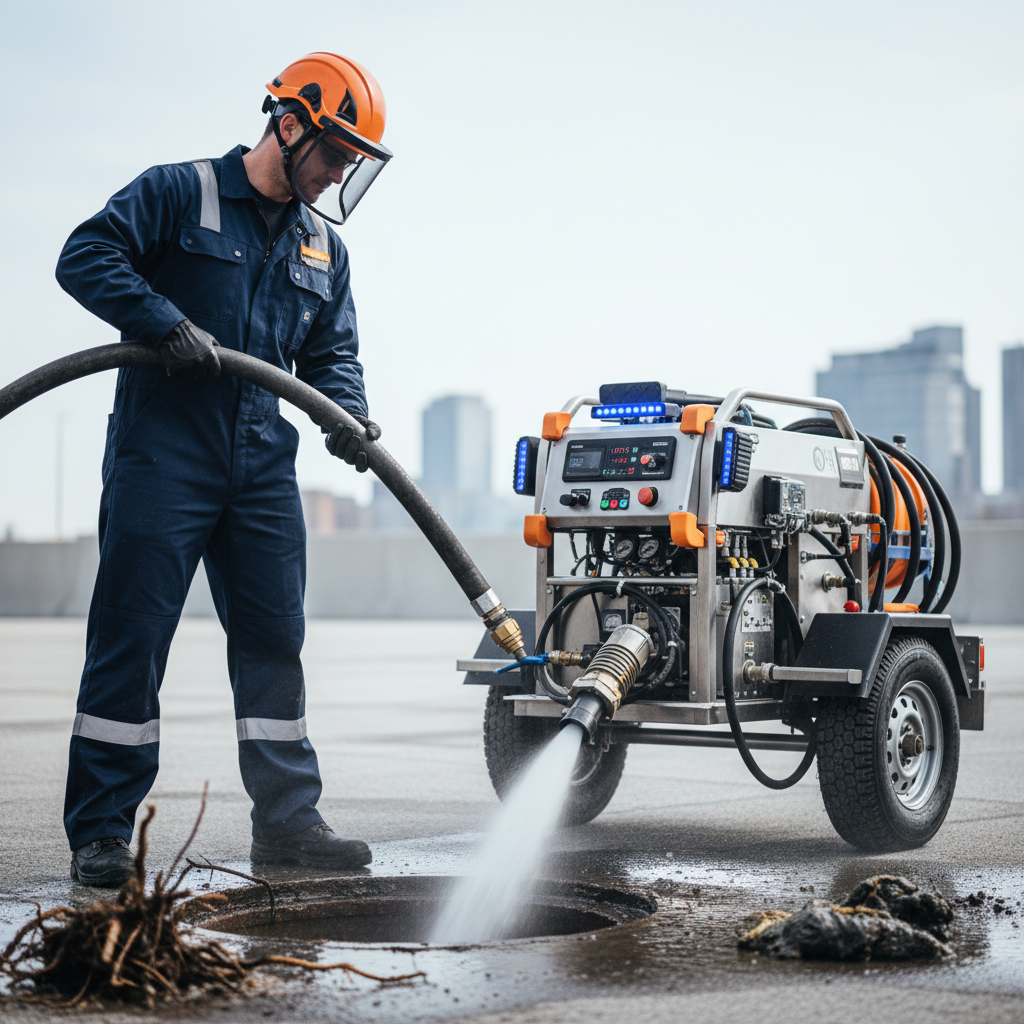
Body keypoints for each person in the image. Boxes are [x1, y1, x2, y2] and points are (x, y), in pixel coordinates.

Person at [55, 53, 394, 887]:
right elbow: (85, 255)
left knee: (276, 640)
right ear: (289, 125)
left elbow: (330, 352)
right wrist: (160, 320)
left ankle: (287, 824)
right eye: (332, 156)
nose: (335, 174)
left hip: (260, 466)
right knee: (131, 640)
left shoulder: (324, 247)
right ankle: (101, 833)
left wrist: (346, 415)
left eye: (351, 165)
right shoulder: (180, 192)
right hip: (163, 453)